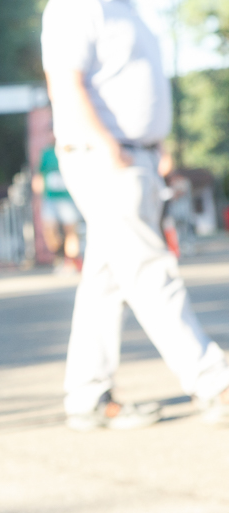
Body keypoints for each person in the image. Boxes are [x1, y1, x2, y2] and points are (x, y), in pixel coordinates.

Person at [42, 0, 229, 428]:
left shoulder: (127, 7)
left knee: (106, 281)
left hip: (133, 155)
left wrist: (154, 150)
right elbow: (65, 82)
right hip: (106, 156)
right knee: (149, 268)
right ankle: (212, 381)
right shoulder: (76, 5)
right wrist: (109, 148)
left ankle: (87, 395)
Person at [32, 139, 83, 273]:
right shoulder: (47, 153)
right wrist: (38, 197)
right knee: (50, 233)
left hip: (68, 198)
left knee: (71, 232)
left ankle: (70, 261)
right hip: (50, 198)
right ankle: (60, 254)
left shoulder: (73, 150)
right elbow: (40, 174)